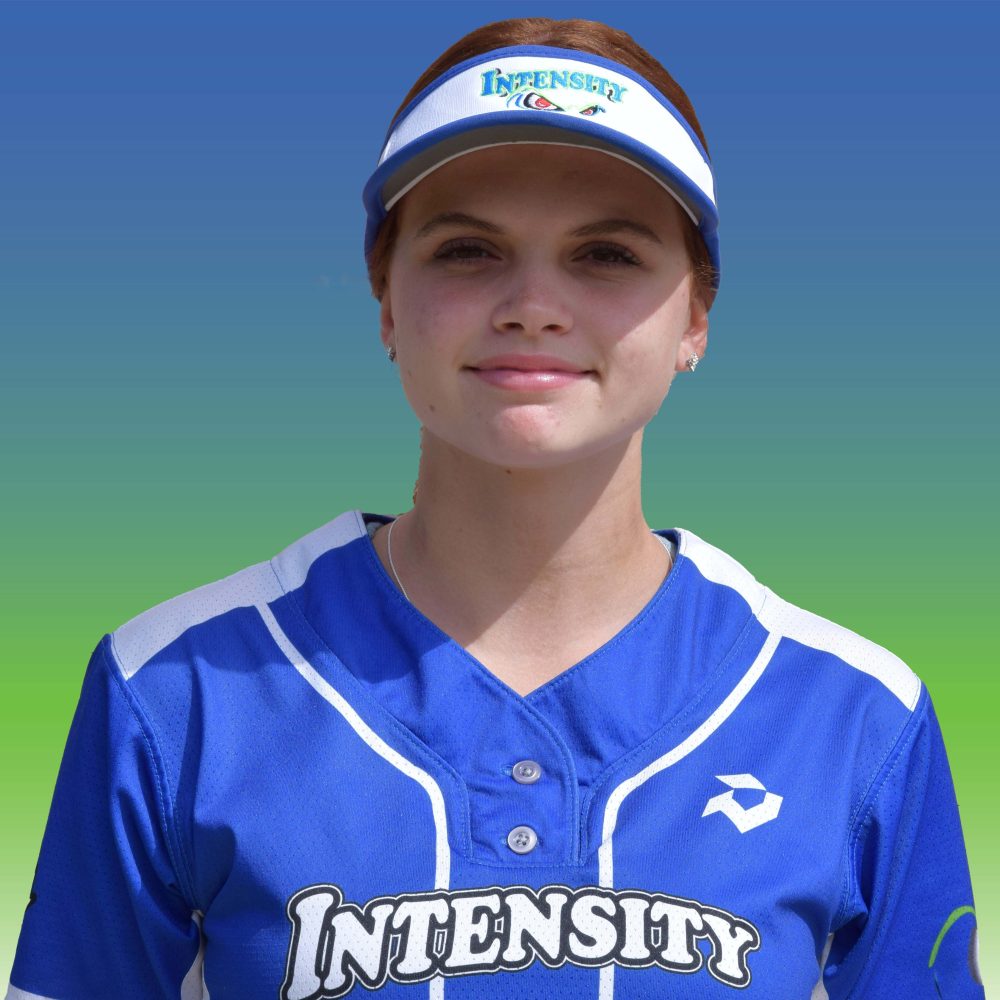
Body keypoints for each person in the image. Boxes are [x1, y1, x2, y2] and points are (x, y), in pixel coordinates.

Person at [5, 16, 984, 1000]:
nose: (531, 305)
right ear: (386, 299)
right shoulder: (179, 688)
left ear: (695, 316)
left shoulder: (853, 714)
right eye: (468, 250)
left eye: (606, 254)